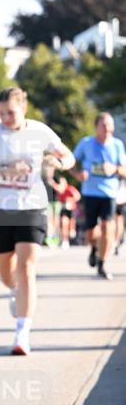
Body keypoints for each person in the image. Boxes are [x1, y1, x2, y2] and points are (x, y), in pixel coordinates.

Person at [0, 87, 74, 355]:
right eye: (2, 113)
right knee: (8, 276)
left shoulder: (40, 131)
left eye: (11, 113)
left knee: (27, 269)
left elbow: (69, 157)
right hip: (2, 209)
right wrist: (3, 170)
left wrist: (59, 162)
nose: (6, 118)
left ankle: (22, 333)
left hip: (32, 206)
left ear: (23, 109)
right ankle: (14, 290)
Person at [73, 112, 126, 280]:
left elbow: (124, 170)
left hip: (109, 193)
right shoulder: (86, 143)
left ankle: (102, 263)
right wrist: (78, 175)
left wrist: (115, 169)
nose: (107, 129)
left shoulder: (117, 145)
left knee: (108, 229)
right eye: (104, 125)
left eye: (110, 125)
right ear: (96, 127)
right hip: (90, 193)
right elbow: (71, 161)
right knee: (91, 232)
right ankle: (94, 248)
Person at [54, 175, 81, 249]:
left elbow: (78, 196)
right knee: (64, 223)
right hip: (64, 209)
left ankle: (72, 231)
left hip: (71, 209)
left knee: (71, 224)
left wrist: (69, 200)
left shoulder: (70, 188)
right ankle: (65, 240)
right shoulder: (60, 191)